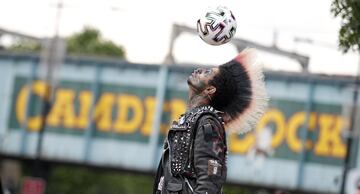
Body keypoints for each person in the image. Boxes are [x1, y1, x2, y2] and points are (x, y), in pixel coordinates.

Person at [153, 48, 268, 194]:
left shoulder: (207, 123)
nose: (199, 70)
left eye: (207, 73)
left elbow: (210, 181)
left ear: (210, 90)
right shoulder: (191, 119)